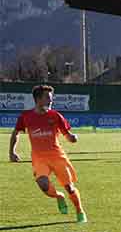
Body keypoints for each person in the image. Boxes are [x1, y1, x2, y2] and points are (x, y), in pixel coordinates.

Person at [9, 85, 87, 223]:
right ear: (38, 99)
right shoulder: (26, 116)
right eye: (48, 98)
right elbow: (15, 133)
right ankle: (58, 196)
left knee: (69, 187)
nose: (51, 101)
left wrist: (72, 138)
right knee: (43, 186)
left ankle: (80, 211)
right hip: (39, 158)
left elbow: (67, 135)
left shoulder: (55, 115)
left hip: (57, 157)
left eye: (51, 98)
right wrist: (12, 152)